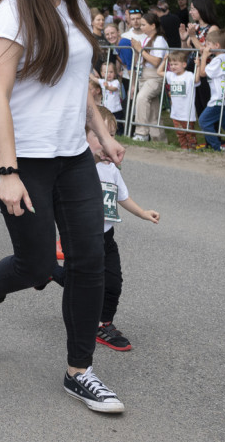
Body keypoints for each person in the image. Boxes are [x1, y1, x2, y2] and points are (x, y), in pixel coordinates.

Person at [0, 0, 126, 414]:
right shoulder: (12, 14)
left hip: (71, 154)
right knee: (37, 265)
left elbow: (77, 79)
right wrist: (9, 173)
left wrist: (100, 134)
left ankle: (79, 371)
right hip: (20, 157)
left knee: (89, 260)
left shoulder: (75, 5)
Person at [51, 109, 159, 351]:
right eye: (100, 136)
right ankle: (49, 271)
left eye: (111, 135)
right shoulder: (73, 168)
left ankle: (102, 323)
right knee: (81, 280)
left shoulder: (111, 169)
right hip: (79, 236)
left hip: (106, 237)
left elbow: (122, 197)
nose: (107, 142)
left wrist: (142, 213)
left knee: (113, 282)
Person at [130, 11, 169, 142]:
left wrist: (140, 49)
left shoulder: (159, 40)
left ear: (152, 26)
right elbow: (141, 60)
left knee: (142, 98)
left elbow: (156, 61)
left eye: (143, 24)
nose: (140, 27)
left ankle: (141, 133)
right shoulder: (146, 39)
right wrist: (137, 51)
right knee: (153, 110)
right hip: (144, 75)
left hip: (154, 76)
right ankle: (159, 139)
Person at [180, 0, 222, 118]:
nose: (190, 12)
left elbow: (205, 51)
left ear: (202, 9)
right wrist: (183, 39)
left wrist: (192, 37)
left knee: (206, 102)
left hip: (205, 69)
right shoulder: (196, 27)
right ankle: (207, 135)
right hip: (193, 67)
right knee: (197, 104)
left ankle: (213, 135)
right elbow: (186, 50)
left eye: (193, 9)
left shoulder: (213, 28)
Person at [198, 28, 225, 153]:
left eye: (208, 44)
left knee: (204, 121)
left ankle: (216, 147)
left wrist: (204, 57)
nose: (206, 46)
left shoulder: (217, 60)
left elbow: (203, 73)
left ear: (217, 46)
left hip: (220, 98)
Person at [163, 51, 201, 150]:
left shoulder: (189, 75)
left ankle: (192, 150)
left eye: (176, 64)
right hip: (176, 113)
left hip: (187, 113)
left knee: (190, 135)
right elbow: (159, 72)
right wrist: (164, 61)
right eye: (171, 64)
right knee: (180, 134)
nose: (173, 66)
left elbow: (196, 80)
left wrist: (198, 67)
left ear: (184, 64)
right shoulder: (171, 75)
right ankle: (184, 149)